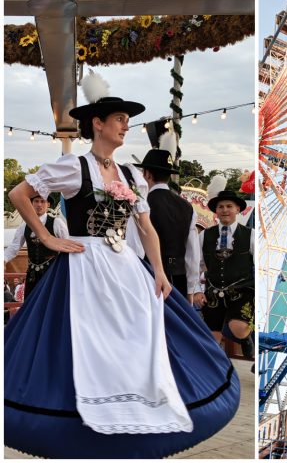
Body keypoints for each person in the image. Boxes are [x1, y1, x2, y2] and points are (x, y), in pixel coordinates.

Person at [4, 71, 239, 459]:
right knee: (85, 335)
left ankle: (139, 405)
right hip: (83, 264)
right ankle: (82, 416)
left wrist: (160, 271)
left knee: (139, 331)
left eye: (127, 121)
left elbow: (145, 226)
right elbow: (19, 193)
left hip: (124, 264)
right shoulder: (73, 166)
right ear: (98, 123)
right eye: (119, 120)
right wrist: (46, 237)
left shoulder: (131, 174)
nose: (125, 126)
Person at [134, 131, 200, 302]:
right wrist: (191, 288)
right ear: (169, 176)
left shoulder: (141, 204)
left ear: (146, 174)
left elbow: (135, 245)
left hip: (149, 275)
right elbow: (193, 253)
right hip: (179, 279)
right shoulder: (188, 207)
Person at [194, 182, 254, 358]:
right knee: (212, 338)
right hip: (214, 290)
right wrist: (197, 290)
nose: (225, 210)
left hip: (242, 290)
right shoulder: (204, 235)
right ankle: (218, 367)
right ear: (216, 211)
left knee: (239, 327)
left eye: (229, 206)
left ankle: (245, 337)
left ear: (237, 209)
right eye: (221, 207)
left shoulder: (250, 235)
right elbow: (195, 265)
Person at [4, 194, 69, 297]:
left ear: (48, 204)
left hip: (52, 273)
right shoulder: (24, 225)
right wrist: (3, 259)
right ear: (31, 204)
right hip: (32, 275)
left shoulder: (57, 223)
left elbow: (67, 246)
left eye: (42, 201)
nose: (39, 204)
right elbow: (14, 247)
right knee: (31, 304)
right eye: (36, 201)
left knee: (50, 303)